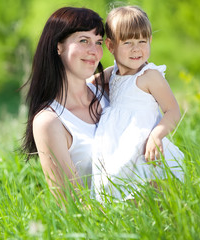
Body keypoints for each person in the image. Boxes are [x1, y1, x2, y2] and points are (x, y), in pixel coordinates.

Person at [92, 6, 184, 201]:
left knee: (155, 195)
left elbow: (173, 110)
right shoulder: (112, 73)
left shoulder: (150, 76)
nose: (136, 49)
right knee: (124, 194)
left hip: (145, 147)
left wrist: (156, 136)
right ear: (110, 46)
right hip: (118, 146)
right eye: (127, 42)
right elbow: (85, 86)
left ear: (150, 40)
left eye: (142, 41)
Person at [21, 7, 109, 201]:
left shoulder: (109, 90)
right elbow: (71, 203)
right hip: (107, 224)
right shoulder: (50, 121)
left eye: (99, 42)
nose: (94, 51)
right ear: (58, 46)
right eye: (84, 40)